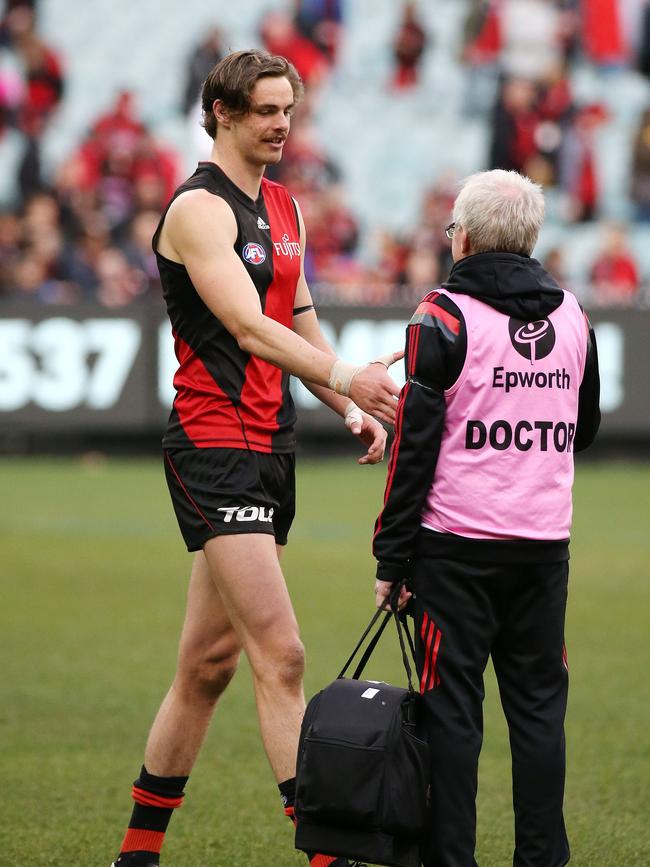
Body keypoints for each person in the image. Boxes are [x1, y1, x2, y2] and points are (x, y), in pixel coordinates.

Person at [109, 49, 400, 867]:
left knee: (206, 666)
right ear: (223, 111)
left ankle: (135, 854)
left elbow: (297, 314)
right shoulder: (198, 210)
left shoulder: (283, 203)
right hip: (212, 446)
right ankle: (327, 852)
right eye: (267, 110)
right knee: (284, 652)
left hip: (270, 446)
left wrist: (349, 405)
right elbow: (246, 327)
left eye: (289, 110)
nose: (281, 124)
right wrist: (348, 375)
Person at [373, 169, 601, 867]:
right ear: (531, 237)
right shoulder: (572, 313)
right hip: (541, 547)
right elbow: (582, 428)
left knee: (452, 715)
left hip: (454, 552)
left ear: (462, 238)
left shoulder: (439, 314)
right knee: (538, 713)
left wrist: (391, 559)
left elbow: (413, 449)